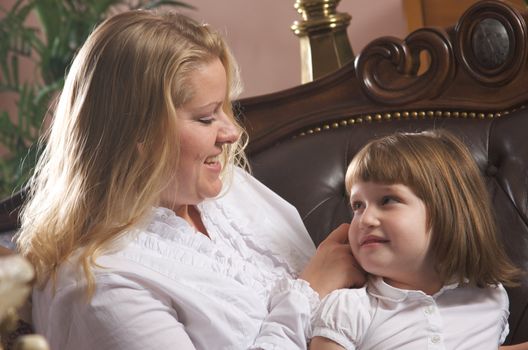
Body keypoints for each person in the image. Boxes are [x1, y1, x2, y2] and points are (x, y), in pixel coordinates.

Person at [14, 10, 365, 350]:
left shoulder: (230, 189)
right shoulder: (100, 287)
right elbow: (323, 284)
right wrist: (310, 292)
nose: (232, 132)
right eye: (205, 118)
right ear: (138, 133)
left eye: (224, 109)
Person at [309, 130, 524, 350]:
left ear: (447, 211)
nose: (365, 219)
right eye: (358, 205)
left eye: (387, 200)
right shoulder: (349, 309)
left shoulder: (489, 297)